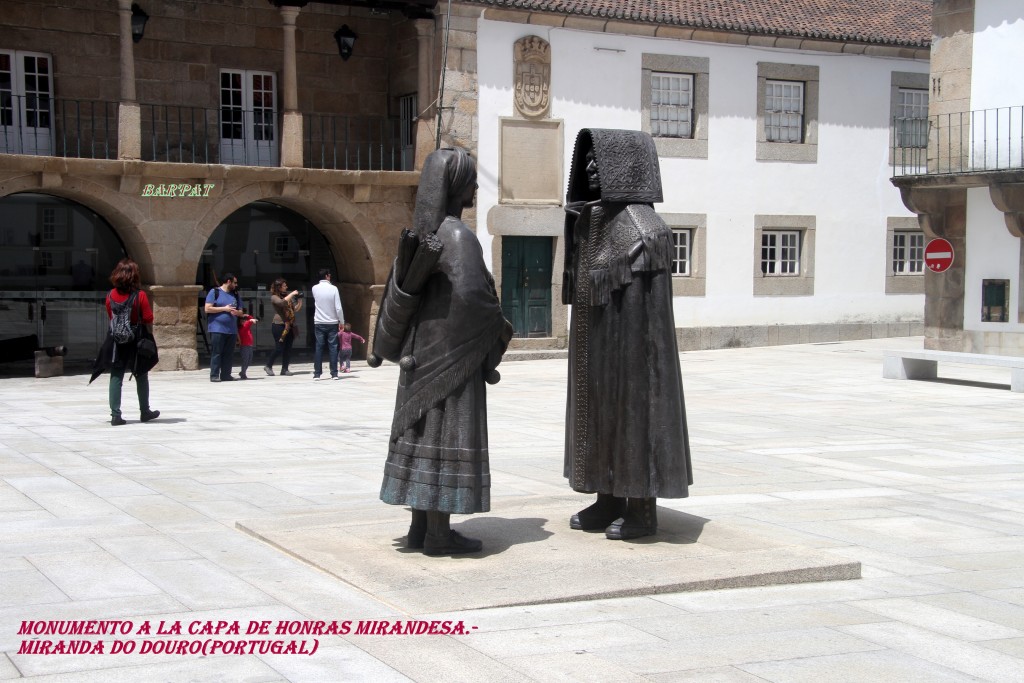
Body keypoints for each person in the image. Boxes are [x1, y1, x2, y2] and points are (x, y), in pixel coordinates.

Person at [376, 147, 513, 556]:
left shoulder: (425, 234)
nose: (474, 185)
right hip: (453, 356)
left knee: (425, 441)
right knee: (444, 437)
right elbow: (472, 297)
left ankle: (421, 529)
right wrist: (500, 325)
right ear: (456, 186)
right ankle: (439, 535)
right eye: (471, 178)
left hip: (420, 356)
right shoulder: (456, 235)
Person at [562, 129, 693, 540]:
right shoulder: (595, 223)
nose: (590, 168)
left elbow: (650, 318)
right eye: (587, 161)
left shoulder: (644, 229)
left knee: (632, 413)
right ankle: (607, 496)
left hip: (634, 354)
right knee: (597, 410)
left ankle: (641, 506)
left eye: (599, 161)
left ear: (627, 168)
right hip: (597, 347)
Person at [91, 258, 160, 426]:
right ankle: (145, 411)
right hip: (136, 340)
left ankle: (116, 414)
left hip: (116, 340)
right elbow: (149, 317)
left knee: (116, 376)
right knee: (141, 374)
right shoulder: (140, 295)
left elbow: (110, 315)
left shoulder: (110, 295)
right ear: (134, 276)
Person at [204, 273, 244, 382]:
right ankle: (214, 375)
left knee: (229, 353)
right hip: (217, 328)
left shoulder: (235, 295)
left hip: (231, 329)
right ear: (228, 281)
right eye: (234, 282)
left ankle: (226, 375)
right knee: (217, 352)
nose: (236, 285)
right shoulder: (214, 292)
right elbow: (207, 309)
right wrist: (224, 309)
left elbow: (241, 311)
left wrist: (237, 312)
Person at [264, 277, 302, 377]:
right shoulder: (274, 297)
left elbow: (294, 309)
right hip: (279, 325)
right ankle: (268, 365)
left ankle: (284, 369)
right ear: (279, 287)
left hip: (290, 325)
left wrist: (300, 301)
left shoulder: (287, 296)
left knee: (288, 348)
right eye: (284, 286)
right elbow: (281, 303)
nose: (286, 287)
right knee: (279, 347)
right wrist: (292, 294)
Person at [311, 267, 344, 380]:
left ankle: (317, 373)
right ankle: (334, 373)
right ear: (326, 276)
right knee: (333, 347)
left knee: (319, 347)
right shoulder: (334, 289)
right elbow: (338, 308)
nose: (330, 277)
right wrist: (342, 321)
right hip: (332, 322)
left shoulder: (314, 288)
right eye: (329, 275)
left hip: (319, 321)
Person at [237, 310, 259, 379]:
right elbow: (250, 321)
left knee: (249, 360)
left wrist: (247, 316)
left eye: (244, 320)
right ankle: (243, 373)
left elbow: (250, 320)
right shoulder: (243, 328)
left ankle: (243, 372)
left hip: (249, 345)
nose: (244, 321)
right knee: (245, 360)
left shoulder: (246, 326)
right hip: (244, 346)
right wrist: (250, 318)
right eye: (242, 320)